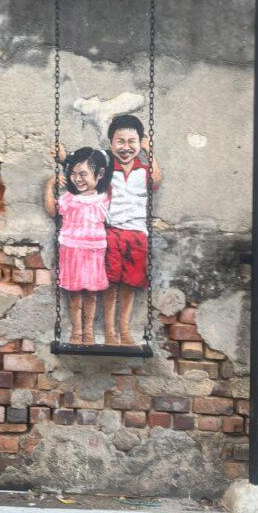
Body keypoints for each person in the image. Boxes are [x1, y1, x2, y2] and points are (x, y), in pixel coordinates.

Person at [56, 115, 161, 345]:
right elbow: (84, 165)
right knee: (109, 283)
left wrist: (149, 151)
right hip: (112, 232)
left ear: (140, 142)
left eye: (132, 142)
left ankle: (124, 330)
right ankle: (110, 331)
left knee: (130, 284)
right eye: (120, 141)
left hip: (137, 234)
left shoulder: (144, 170)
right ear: (111, 143)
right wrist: (64, 159)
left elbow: (156, 181)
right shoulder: (106, 168)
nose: (125, 148)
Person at [43, 147, 111, 345]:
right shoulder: (69, 198)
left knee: (91, 293)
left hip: (94, 250)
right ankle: (77, 330)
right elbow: (52, 211)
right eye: (73, 174)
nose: (77, 179)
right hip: (71, 249)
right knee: (74, 294)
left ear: (100, 174)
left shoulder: (104, 198)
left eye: (83, 174)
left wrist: (66, 158)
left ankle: (88, 331)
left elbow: (111, 168)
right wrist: (50, 185)